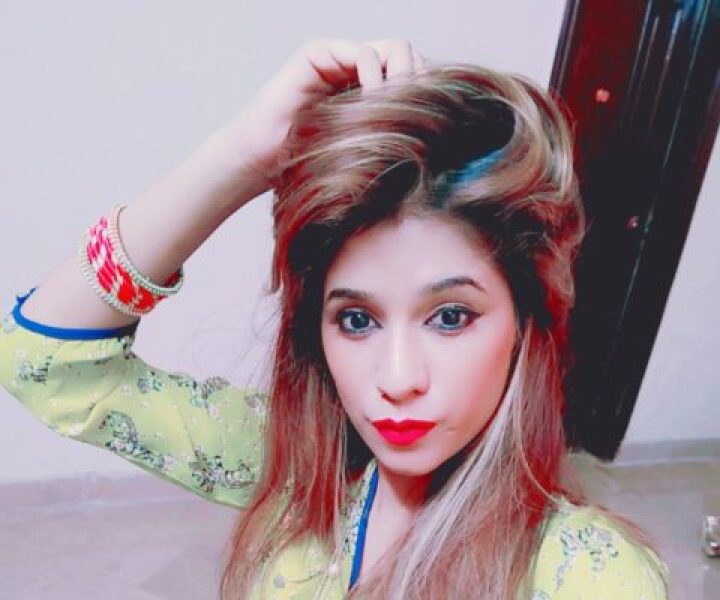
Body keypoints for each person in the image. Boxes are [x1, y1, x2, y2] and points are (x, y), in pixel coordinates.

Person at [0, 39, 668, 599]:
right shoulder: (296, 465)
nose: (397, 380)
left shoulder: (590, 574)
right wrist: (237, 158)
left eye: (450, 317)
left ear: (524, 322)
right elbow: (42, 361)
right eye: (356, 320)